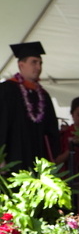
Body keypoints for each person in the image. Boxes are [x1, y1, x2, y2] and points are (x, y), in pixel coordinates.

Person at [0, 41, 58, 173]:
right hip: (12, 158)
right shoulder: (6, 90)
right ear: (21, 65)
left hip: (38, 159)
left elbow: (52, 130)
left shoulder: (43, 95)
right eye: (34, 62)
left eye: (40, 63)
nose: (38, 67)